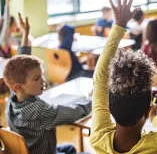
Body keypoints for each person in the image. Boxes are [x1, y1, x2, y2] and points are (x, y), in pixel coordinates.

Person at [89, 0, 157, 154]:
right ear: (147, 111)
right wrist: (156, 118)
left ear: (109, 108)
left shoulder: (98, 137)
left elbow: (100, 78)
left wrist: (119, 25)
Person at [3, 13, 92, 154]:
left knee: (69, 148)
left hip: (34, 150)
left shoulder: (13, 99)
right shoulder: (39, 110)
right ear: (19, 86)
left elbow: (21, 58)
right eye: (36, 78)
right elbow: (74, 113)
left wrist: (25, 33)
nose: (43, 81)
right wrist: (94, 99)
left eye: (41, 76)